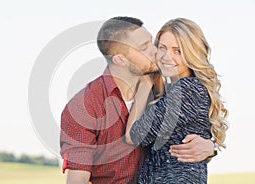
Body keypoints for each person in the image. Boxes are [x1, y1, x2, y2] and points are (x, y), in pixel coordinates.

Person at [60, 16, 217, 184]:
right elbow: (77, 180)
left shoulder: (166, 90)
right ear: (120, 59)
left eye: (152, 43)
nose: (156, 52)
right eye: (146, 47)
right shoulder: (85, 106)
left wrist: (210, 147)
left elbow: (189, 132)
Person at [125, 18, 228, 183]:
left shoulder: (187, 90)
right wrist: (212, 147)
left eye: (177, 51)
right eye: (162, 47)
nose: (167, 57)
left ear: (191, 54)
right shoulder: (178, 90)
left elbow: (134, 136)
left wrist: (144, 86)